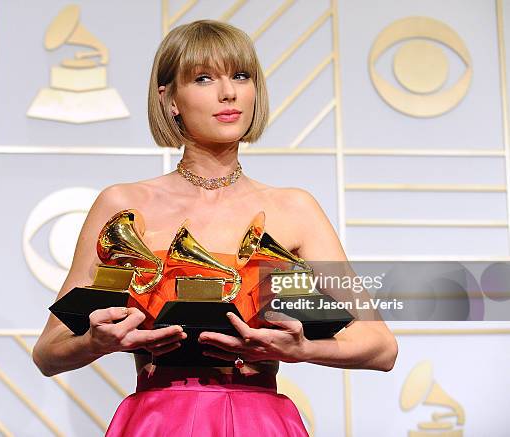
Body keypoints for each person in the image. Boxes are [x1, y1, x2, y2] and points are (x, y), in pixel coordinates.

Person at [32, 19, 398, 437]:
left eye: (240, 76)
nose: (228, 92)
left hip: (259, 420)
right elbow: (49, 353)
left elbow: (380, 346)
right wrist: (97, 342)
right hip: (158, 421)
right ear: (169, 99)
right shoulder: (123, 206)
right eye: (204, 78)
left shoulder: (293, 208)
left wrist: (301, 349)